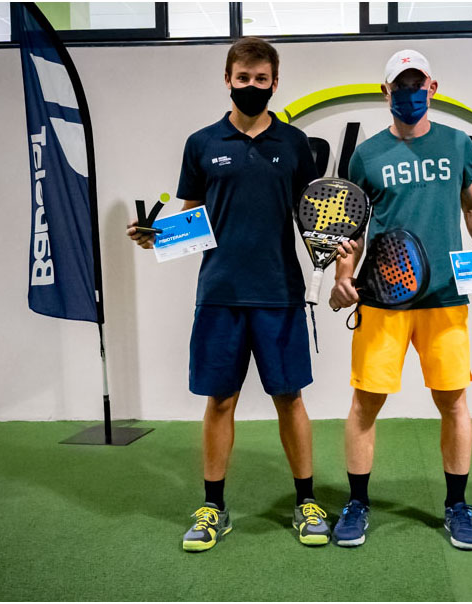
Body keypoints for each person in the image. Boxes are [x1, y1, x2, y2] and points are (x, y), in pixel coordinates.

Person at [127, 37, 329, 552]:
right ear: (228, 80)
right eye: (244, 78)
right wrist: (156, 236)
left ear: (275, 83)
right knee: (220, 400)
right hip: (219, 294)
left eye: (261, 79)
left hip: (280, 293)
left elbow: (312, 218)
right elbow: (191, 215)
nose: (252, 86)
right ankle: (213, 507)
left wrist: (337, 260)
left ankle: (306, 502)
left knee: (290, 399)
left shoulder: (295, 144)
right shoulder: (201, 143)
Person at [328, 49, 472, 550]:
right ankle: (357, 503)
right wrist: (344, 277)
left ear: (432, 87)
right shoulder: (366, 155)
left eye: (418, 85)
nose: (410, 94)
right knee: (365, 403)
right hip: (383, 298)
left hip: (444, 298)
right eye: (401, 86)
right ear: (385, 91)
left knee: (453, 402)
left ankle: (457, 506)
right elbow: (353, 230)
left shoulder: (458, 144)